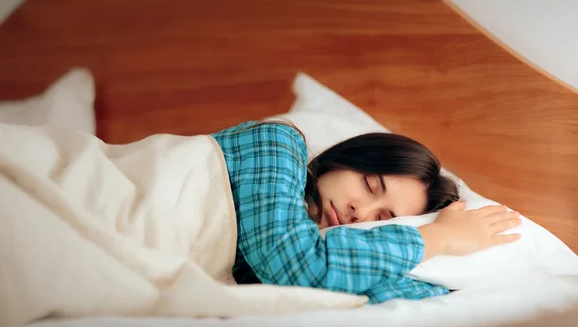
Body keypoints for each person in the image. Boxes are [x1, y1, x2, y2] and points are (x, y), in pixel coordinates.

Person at [211, 120, 521, 303]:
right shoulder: (276, 144)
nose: (359, 213)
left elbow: (373, 301)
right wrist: (438, 237)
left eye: (383, 219)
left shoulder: (268, 268)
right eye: (370, 186)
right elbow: (303, 269)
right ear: (346, 158)